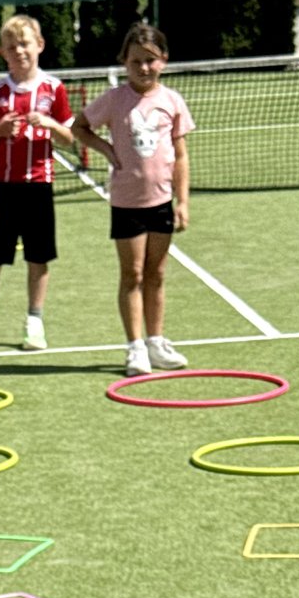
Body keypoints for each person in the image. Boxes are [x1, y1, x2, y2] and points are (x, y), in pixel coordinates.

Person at [71, 22, 194, 377]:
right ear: (124, 61)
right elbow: (80, 127)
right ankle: (135, 347)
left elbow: (181, 156)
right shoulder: (114, 99)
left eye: (150, 60)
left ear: (163, 60)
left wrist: (183, 202)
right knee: (133, 274)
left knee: (157, 274)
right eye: (136, 61)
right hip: (127, 204)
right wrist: (107, 150)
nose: (143, 67)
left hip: (162, 202)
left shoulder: (172, 101)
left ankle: (156, 342)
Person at [0, 14, 75, 352]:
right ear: (3, 53)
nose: (19, 51)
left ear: (40, 45)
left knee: (39, 256)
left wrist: (49, 125)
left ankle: (34, 320)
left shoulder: (54, 89)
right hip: (2, 187)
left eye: (24, 44)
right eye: (11, 47)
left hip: (39, 186)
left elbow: (70, 139)